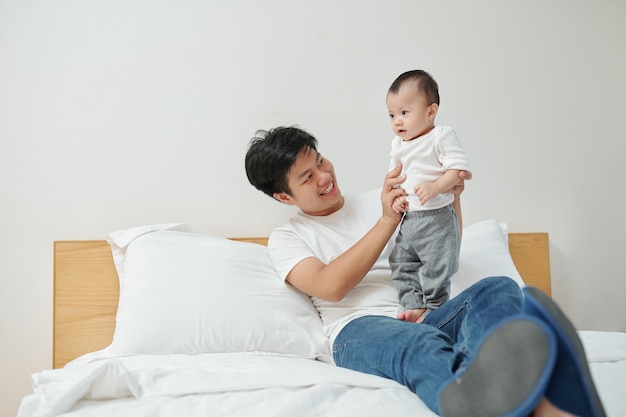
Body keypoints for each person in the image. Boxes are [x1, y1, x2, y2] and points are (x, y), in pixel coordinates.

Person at [245, 125, 605, 417]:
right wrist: (389, 219)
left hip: (426, 315)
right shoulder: (289, 237)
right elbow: (331, 286)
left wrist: (449, 197)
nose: (325, 176)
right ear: (284, 197)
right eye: (308, 177)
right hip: (359, 330)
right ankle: (505, 401)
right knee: (420, 344)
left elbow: (441, 252)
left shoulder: (383, 195)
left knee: (498, 289)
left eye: (322, 161)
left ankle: (493, 387)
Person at [386, 70, 472, 322]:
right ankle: (412, 302)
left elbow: (459, 170)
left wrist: (437, 186)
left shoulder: (441, 136)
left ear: (430, 112)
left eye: (404, 113)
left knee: (438, 267)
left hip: (437, 219)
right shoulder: (397, 146)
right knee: (401, 262)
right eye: (391, 115)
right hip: (410, 219)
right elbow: (395, 176)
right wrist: (398, 196)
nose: (397, 121)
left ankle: (436, 308)